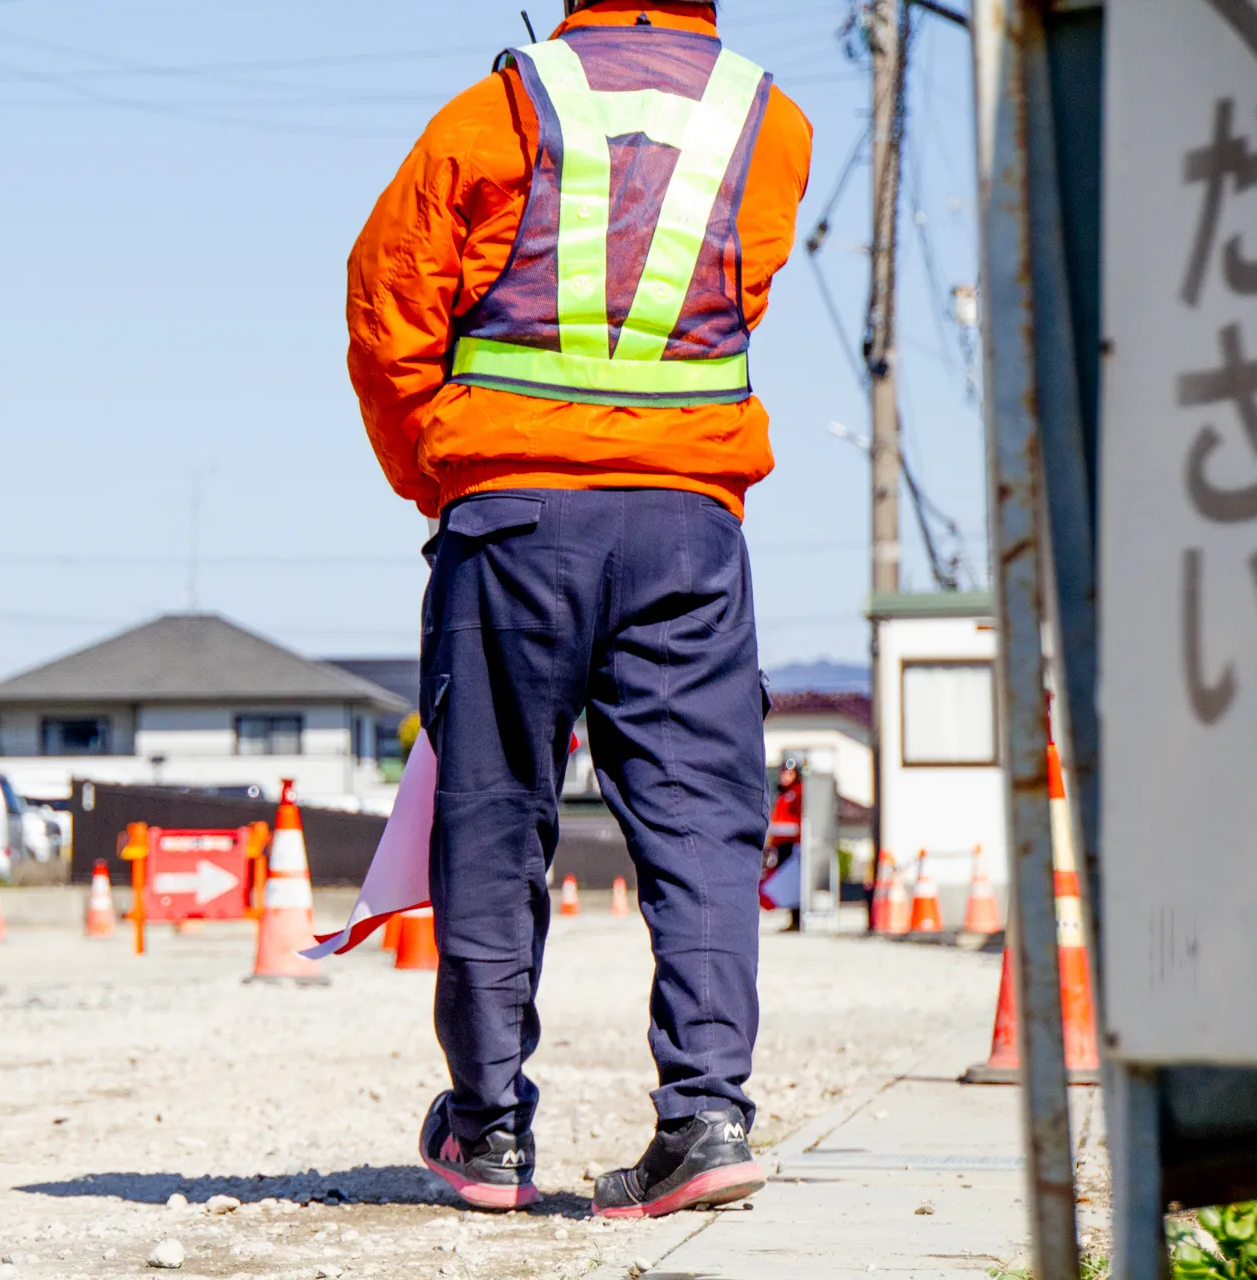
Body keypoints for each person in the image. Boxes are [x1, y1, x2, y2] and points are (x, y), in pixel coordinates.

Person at [345, 0, 812, 1218]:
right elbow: (737, 297)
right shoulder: (770, 124)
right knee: (703, 822)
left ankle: (490, 1130)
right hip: (688, 522)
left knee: (496, 816)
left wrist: (440, 475)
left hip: (513, 520)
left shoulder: (499, 109)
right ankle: (707, 1117)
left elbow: (389, 300)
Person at [761, 757, 805, 931]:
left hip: (793, 844)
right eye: (783, 772)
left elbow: (799, 821)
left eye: (789, 773)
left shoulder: (799, 792)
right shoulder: (782, 795)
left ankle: (798, 919)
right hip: (781, 844)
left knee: (793, 882)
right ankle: (792, 918)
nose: (785, 776)